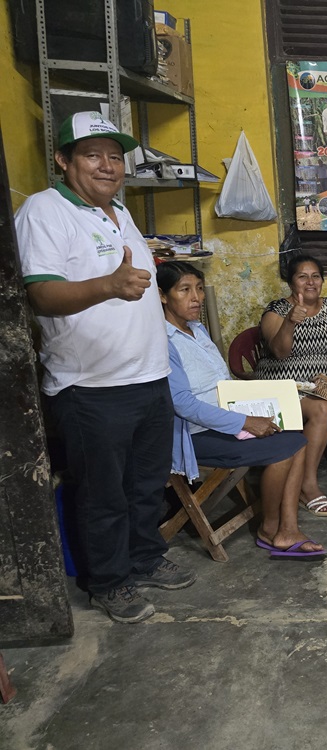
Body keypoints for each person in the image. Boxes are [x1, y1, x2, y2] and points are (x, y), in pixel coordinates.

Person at [15, 112, 193, 623]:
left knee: (145, 484)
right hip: (90, 386)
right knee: (102, 493)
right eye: (93, 154)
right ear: (63, 159)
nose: (108, 165)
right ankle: (109, 582)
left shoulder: (118, 211)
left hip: (147, 376)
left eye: (115, 156)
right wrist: (108, 286)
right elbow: (41, 295)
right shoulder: (44, 212)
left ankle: (142, 558)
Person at [157, 262, 324, 560]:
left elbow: (219, 382)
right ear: (162, 296)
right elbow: (183, 405)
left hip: (223, 418)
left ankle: (286, 528)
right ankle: (271, 528)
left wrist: (256, 404)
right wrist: (244, 421)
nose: (196, 297)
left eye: (198, 288)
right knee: (286, 447)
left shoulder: (196, 329)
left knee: (295, 435)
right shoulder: (162, 341)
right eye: (184, 290)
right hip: (193, 434)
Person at [255, 255, 327, 510]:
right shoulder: (276, 312)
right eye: (302, 276)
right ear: (290, 283)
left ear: (322, 281)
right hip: (284, 387)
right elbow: (280, 352)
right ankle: (306, 485)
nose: (310, 282)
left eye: (315, 276)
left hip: (318, 384)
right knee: (321, 408)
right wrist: (290, 322)